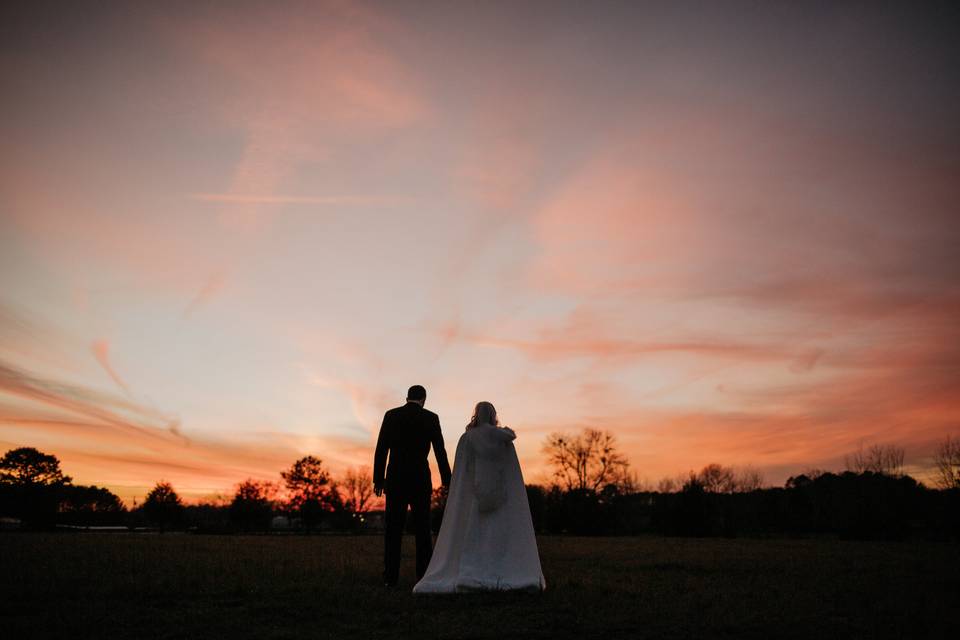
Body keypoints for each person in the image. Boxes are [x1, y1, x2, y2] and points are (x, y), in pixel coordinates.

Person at [413, 401, 545, 593]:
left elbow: (463, 472)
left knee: (473, 532)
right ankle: (501, 570)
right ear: (493, 415)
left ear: (476, 415)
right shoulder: (504, 440)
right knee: (498, 534)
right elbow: (511, 472)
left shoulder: (467, 439)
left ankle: (471, 570)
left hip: (475, 494)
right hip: (501, 496)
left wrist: (462, 493)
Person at [373, 385, 451, 587]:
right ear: (424, 399)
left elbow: (381, 448)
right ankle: (424, 576)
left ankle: (390, 578)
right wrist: (447, 480)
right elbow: (439, 451)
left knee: (393, 530)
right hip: (419, 480)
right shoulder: (431, 418)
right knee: (423, 529)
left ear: (407, 397)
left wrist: (378, 479)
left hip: (396, 479)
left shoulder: (391, 415)